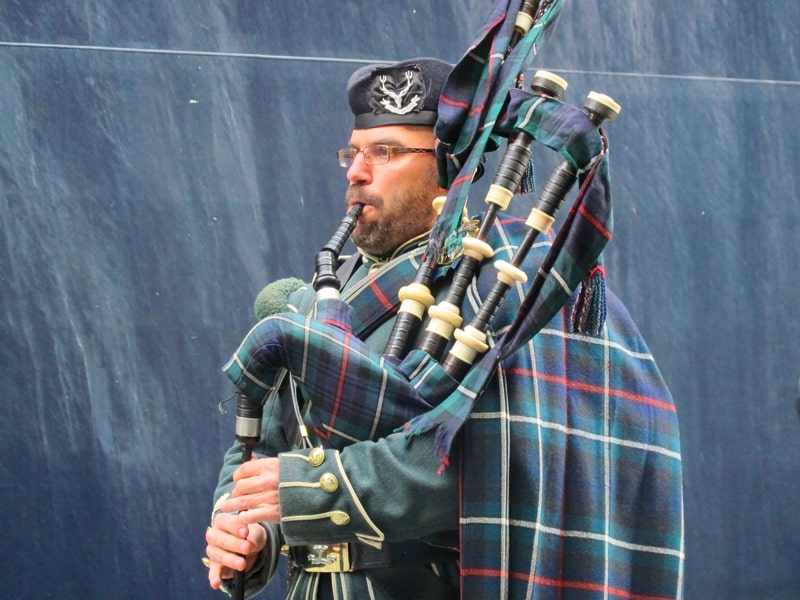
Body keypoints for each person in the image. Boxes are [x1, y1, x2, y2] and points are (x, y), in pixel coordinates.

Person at [205, 57, 684, 600]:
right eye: (353, 152)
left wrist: (310, 491)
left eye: (384, 152)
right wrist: (249, 534)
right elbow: (268, 448)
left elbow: (501, 459)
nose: (356, 171)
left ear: (448, 166)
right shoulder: (324, 298)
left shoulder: (507, 284)